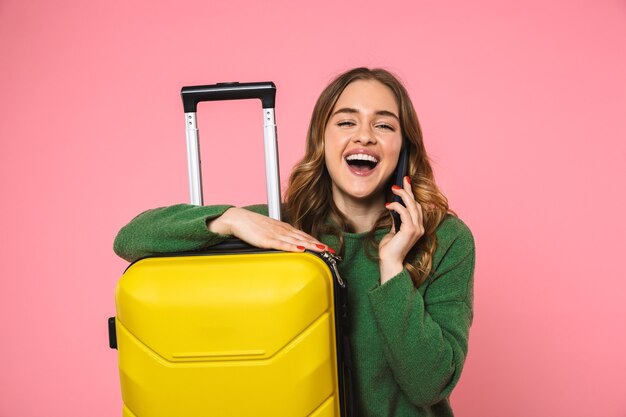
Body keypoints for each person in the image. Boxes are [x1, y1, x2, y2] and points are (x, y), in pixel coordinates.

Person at [114, 67, 475, 417]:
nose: (365, 136)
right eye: (347, 121)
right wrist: (230, 218)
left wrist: (392, 267)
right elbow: (131, 238)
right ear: (322, 139)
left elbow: (428, 384)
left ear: (404, 147)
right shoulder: (282, 227)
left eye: (383, 125)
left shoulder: (445, 241)